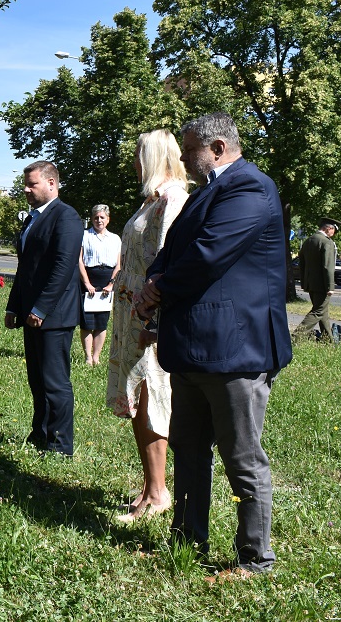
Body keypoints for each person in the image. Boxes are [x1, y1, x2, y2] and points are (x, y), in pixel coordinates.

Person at [133, 112, 292, 576]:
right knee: (189, 449)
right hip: (194, 348)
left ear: (218, 147)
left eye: (190, 149)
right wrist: (154, 278)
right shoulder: (209, 193)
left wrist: (157, 290)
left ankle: (255, 558)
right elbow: (173, 250)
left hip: (234, 351)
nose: (182, 157)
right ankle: (187, 540)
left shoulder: (250, 189)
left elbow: (207, 256)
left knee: (241, 457)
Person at [108, 130, 188, 522]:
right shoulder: (150, 201)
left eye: (140, 155)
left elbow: (168, 265)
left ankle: (158, 493)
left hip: (148, 317)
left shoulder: (173, 200)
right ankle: (149, 488)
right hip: (131, 313)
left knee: (152, 398)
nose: (134, 163)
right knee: (138, 400)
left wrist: (151, 321)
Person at [5, 161, 83, 456]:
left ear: (52, 183)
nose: (25, 190)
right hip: (32, 314)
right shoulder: (33, 218)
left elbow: (63, 268)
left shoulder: (66, 217)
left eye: (31, 184)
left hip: (54, 315)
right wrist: (14, 306)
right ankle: (40, 434)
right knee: (37, 380)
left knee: (55, 382)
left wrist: (41, 308)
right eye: (25, 184)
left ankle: (60, 445)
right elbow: (25, 268)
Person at [79, 204, 121, 366]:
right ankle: (88, 357)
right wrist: (87, 283)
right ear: (92, 219)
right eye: (96, 217)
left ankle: (97, 356)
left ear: (108, 219)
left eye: (102, 217)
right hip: (88, 281)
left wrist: (111, 284)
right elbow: (79, 261)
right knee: (87, 322)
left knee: (101, 322)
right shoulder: (84, 236)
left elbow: (119, 264)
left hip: (107, 283)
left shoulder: (115, 238)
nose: (99, 220)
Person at [292, 218, 339, 343]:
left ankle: (328, 341)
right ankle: (295, 337)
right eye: (334, 230)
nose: (334, 233)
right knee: (318, 312)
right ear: (328, 228)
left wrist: (304, 281)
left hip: (311, 283)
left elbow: (302, 262)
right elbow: (327, 266)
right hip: (322, 285)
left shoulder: (309, 240)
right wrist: (330, 286)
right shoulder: (326, 242)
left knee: (323, 311)